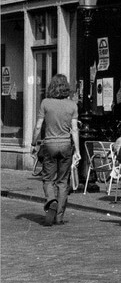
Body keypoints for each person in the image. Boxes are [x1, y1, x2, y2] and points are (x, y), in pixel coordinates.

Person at [30, 74, 81, 226]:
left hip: (50, 145)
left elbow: (39, 125)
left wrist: (33, 143)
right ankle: (59, 217)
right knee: (63, 181)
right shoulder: (72, 105)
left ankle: (51, 200)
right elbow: (74, 130)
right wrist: (77, 150)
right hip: (66, 145)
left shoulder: (45, 103)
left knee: (48, 179)